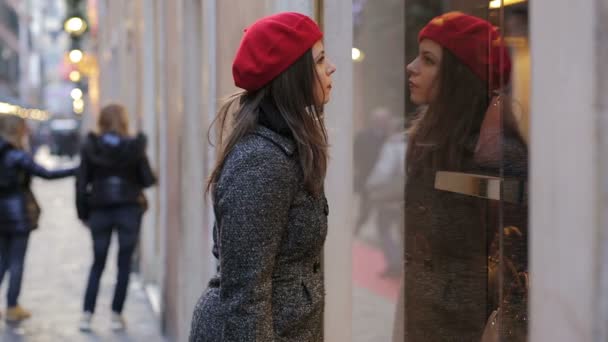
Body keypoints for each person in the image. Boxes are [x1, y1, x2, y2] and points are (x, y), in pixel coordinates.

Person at [189, 12, 335, 342]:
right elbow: (246, 298)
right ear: (292, 76)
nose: (332, 67)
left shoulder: (284, 147)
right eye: (321, 59)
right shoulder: (260, 161)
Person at [402, 12, 528, 341]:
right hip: (425, 320)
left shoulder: (497, 154)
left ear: (460, 76)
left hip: (468, 328)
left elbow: (515, 267)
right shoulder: (430, 144)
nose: (411, 67)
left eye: (428, 60)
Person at [76, 104, 156, 332]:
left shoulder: (92, 146)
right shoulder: (134, 146)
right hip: (129, 210)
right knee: (124, 264)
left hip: (99, 209)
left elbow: (81, 183)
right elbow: (147, 179)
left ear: (101, 120)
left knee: (97, 263)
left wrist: (83, 213)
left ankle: (87, 314)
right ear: (124, 121)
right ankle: (116, 314)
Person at [0, 114, 76, 322]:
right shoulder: (16, 155)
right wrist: (77, 169)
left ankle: (12, 305)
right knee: (15, 261)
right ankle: (12, 306)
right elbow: (46, 174)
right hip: (16, 213)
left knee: (2, 260)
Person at [353, 107, 392, 235]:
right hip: (367, 178)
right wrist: (359, 170)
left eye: (385, 120)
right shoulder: (363, 136)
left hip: (385, 181)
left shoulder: (390, 137)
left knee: (385, 211)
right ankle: (355, 231)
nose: (383, 122)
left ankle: (383, 234)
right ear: (374, 121)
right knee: (366, 209)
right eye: (380, 120)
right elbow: (356, 154)